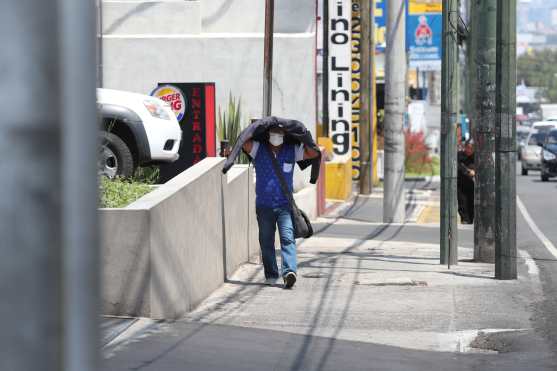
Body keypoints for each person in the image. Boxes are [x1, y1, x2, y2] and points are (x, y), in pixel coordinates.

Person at [242, 127, 320, 288]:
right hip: (264, 206)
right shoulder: (258, 148)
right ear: (268, 135)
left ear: (285, 136)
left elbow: (313, 153)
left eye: (280, 134)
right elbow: (244, 143)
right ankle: (271, 274)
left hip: (284, 206)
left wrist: (305, 136)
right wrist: (255, 128)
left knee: (287, 238)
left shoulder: (292, 151)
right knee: (266, 241)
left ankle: (289, 272)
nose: (277, 136)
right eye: (274, 133)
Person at [457, 140, 475, 224]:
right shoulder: (460, 155)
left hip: (472, 184)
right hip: (461, 183)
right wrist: (468, 171)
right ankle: (464, 219)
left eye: (471, 148)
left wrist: (474, 172)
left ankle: (471, 219)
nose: (469, 150)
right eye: (468, 148)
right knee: (462, 202)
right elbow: (458, 166)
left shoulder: (476, 157)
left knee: (471, 202)